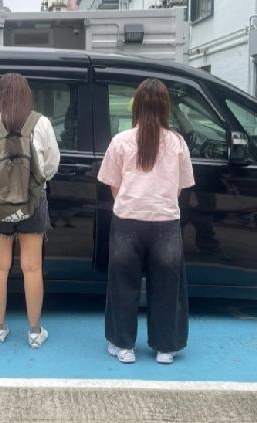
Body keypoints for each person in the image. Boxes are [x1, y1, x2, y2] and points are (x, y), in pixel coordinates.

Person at [97, 78, 194, 365]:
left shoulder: (121, 141)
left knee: (122, 283)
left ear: (136, 107)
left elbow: (113, 184)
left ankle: (122, 344)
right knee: (167, 284)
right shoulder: (177, 143)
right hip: (165, 221)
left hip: (127, 219)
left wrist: (130, 201)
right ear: (166, 108)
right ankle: (165, 348)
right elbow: (181, 186)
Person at [0, 73, 60, 348]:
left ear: (0, 95)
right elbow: (52, 165)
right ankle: (35, 332)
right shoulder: (41, 123)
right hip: (33, 203)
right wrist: (36, 181)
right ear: (27, 95)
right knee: (32, 268)